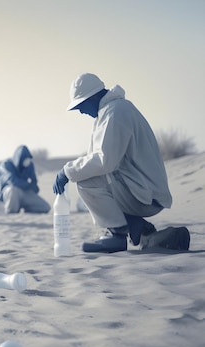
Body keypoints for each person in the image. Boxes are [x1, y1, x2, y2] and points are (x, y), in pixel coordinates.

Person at [53, 73, 172, 253]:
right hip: (142, 190)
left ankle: (118, 234)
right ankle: (140, 229)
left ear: (92, 97)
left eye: (81, 105)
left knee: (86, 182)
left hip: (145, 195)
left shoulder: (115, 113)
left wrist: (66, 172)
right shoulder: (112, 110)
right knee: (91, 176)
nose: (81, 111)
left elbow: (104, 162)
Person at [0, 145, 51, 214]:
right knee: (13, 189)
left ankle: (26, 209)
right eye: (24, 159)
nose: (27, 161)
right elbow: (13, 181)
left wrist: (33, 187)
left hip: (23, 191)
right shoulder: (6, 165)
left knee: (44, 207)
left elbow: (34, 182)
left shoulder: (29, 165)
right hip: (7, 194)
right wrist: (29, 185)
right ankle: (9, 211)